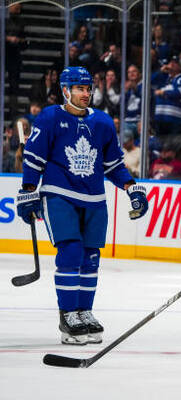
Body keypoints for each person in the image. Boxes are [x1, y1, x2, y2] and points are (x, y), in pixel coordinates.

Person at [15, 66, 149, 345]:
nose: (85, 93)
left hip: (94, 199)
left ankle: (84, 312)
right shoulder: (50, 118)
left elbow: (113, 164)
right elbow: (34, 158)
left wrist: (131, 187)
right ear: (65, 90)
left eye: (88, 88)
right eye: (79, 88)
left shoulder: (102, 122)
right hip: (59, 194)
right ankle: (68, 315)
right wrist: (29, 190)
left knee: (90, 258)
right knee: (72, 251)